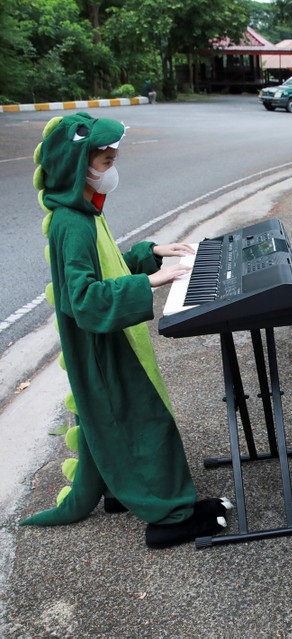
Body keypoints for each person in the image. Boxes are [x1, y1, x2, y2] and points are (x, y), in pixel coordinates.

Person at [21, 112, 230, 548]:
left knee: (122, 421)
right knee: (143, 422)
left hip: (114, 339)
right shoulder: (71, 224)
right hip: (100, 347)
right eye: (105, 160)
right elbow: (83, 299)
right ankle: (169, 517)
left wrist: (150, 253)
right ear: (78, 165)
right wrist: (150, 282)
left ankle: (120, 493)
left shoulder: (83, 212)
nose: (112, 169)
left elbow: (107, 264)